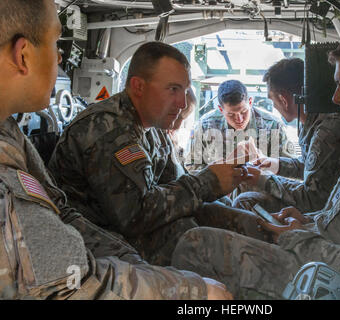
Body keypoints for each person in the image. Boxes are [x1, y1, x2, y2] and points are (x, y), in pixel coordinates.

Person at [172, 26, 340, 299]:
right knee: (209, 217)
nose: (335, 97)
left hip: (331, 278)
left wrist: (294, 237)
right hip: (318, 246)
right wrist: (307, 221)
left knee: (196, 245)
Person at [0, 0, 232, 300]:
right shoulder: (107, 129)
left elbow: (63, 215)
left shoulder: (10, 133)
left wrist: (136, 263)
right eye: (56, 42)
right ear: (23, 55)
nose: (60, 57)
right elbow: (66, 286)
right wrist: (191, 292)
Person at [49, 42, 265, 266]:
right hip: (97, 239)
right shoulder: (108, 130)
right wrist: (208, 182)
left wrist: (250, 219)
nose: (182, 103)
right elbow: (135, 215)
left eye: (184, 90)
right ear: (138, 87)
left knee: (213, 218)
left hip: (130, 228)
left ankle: (274, 238)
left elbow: (178, 184)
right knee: (197, 242)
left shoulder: (153, 127)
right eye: (173, 89)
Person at [232, 58, 340, 216]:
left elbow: (312, 199)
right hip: (331, 204)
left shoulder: (327, 132)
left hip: (332, 212)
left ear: (283, 100)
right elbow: (311, 166)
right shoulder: (317, 122)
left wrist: (264, 180)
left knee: (246, 201)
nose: (274, 107)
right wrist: (273, 164)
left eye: (273, 100)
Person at [186, 79, 297, 172]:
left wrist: (264, 163)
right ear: (221, 109)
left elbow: (291, 169)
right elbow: (190, 167)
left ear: (250, 102)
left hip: (261, 192)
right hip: (218, 195)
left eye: (244, 112)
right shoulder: (205, 126)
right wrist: (217, 173)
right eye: (231, 114)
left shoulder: (272, 125)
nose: (239, 119)